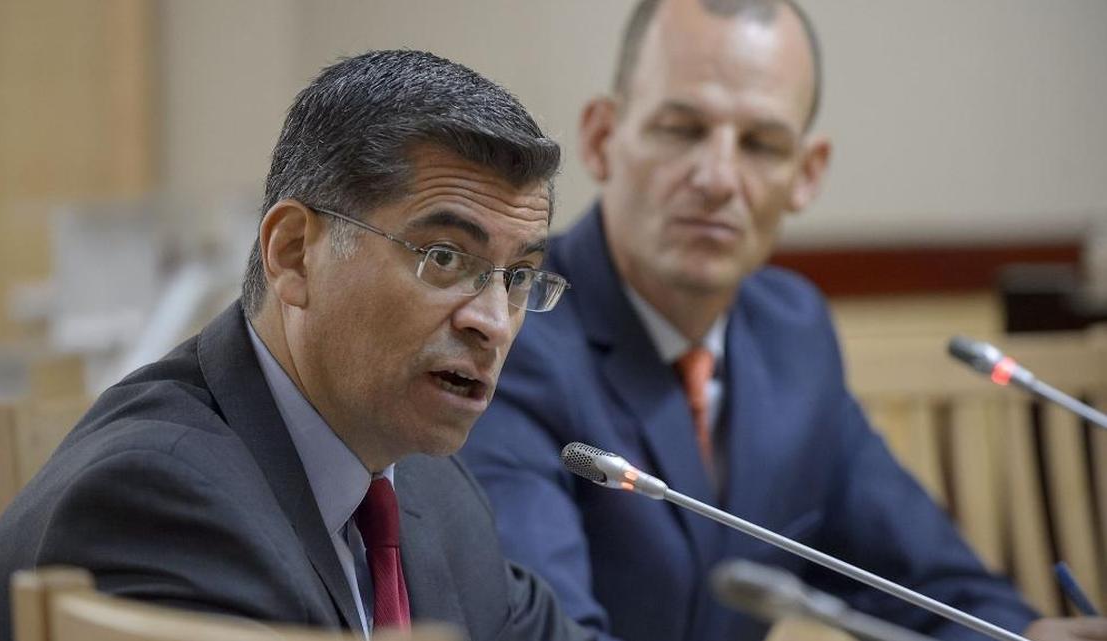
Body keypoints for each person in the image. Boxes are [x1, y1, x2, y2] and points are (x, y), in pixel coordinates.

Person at [459, 2, 1107, 641]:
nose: (718, 178)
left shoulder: (791, 333)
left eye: (761, 144)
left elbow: (937, 589)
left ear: (806, 173)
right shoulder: (513, 336)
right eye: (682, 129)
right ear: (602, 139)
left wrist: (1028, 635)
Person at [0, 50, 593, 641]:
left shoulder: (430, 485)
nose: (494, 322)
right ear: (293, 253)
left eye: (518, 277)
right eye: (445, 257)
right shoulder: (157, 503)